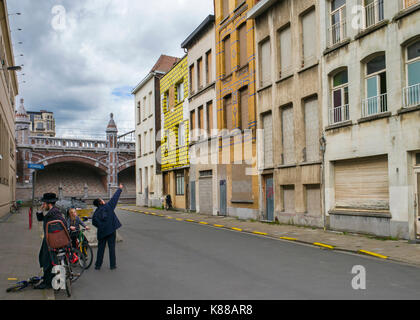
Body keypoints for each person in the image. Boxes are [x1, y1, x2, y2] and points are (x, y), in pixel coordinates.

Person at [35, 193, 68, 290]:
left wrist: (53, 242)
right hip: (50, 240)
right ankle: (52, 281)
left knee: (47, 262)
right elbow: (40, 218)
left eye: (43, 204)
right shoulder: (53, 212)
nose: (43, 205)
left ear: (48, 204)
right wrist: (40, 210)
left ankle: (48, 283)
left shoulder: (53, 214)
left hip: (51, 242)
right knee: (49, 261)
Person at [92, 184, 123, 270]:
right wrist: (119, 189)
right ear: (101, 202)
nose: (103, 200)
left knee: (100, 249)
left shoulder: (95, 214)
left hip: (102, 233)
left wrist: (101, 226)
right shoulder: (108, 207)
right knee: (111, 248)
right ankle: (112, 265)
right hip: (111, 231)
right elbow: (115, 198)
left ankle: (98, 265)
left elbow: (94, 223)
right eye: (102, 199)